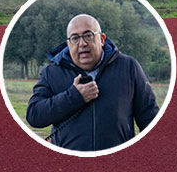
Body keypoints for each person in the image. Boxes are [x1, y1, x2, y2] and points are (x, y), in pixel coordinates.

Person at [27, 14, 160, 151]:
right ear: (68, 43)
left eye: (88, 35)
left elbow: (150, 117)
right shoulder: (51, 73)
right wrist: (74, 96)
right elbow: (34, 115)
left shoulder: (128, 67)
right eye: (75, 38)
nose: (82, 43)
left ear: (101, 39)